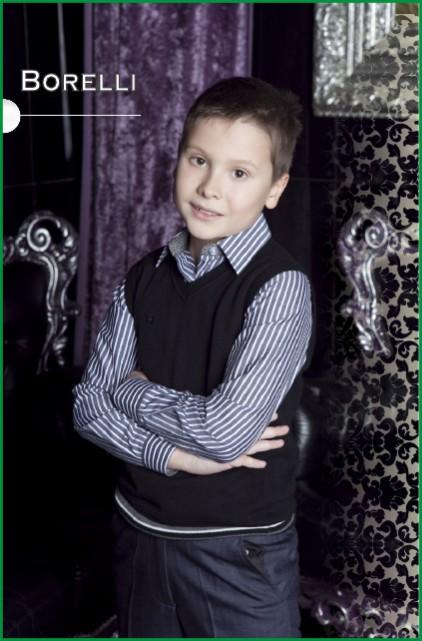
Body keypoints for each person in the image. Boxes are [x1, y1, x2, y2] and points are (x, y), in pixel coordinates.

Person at [73, 76, 313, 638]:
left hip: (236, 553)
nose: (209, 188)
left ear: (274, 188)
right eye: (198, 160)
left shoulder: (279, 286)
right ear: (178, 159)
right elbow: (86, 408)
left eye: (239, 173)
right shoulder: (142, 277)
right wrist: (176, 456)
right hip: (139, 533)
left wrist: (131, 391)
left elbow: (224, 435)